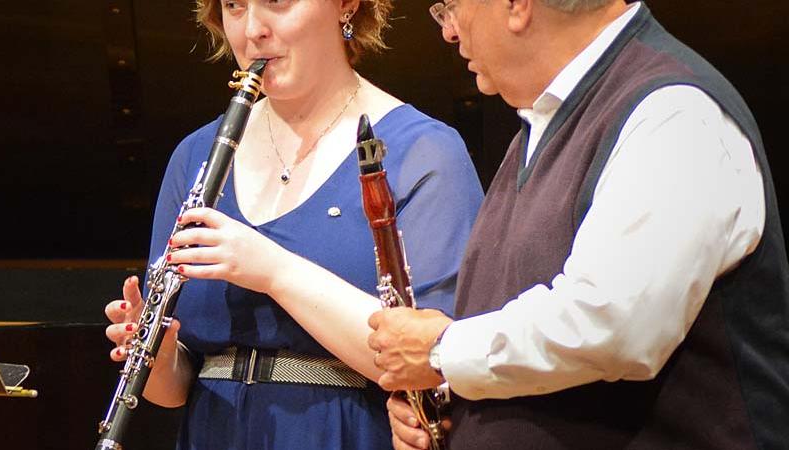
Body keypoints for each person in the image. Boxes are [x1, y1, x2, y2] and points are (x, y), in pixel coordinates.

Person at [368, 1, 789, 449]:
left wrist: (440, 352)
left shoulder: (674, 111)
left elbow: (612, 325)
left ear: (515, 6)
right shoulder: (542, 127)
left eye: (451, 6)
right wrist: (451, 403)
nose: (449, 32)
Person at [103, 0, 484, 448]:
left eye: (277, 3)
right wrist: (158, 356)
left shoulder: (423, 150)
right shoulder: (196, 155)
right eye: (234, 6)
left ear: (345, 5)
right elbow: (175, 389)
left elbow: (435, 363)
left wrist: (274, 272)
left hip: (346, 432)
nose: (253, 30)